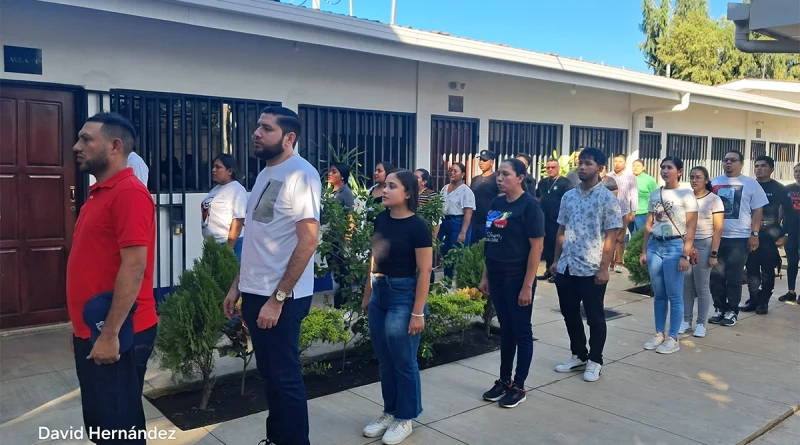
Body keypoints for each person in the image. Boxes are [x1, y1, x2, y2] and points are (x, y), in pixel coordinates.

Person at [223, 106, 321, 445]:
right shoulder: (265, 173)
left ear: (289, 137)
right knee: (271, 378)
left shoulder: (301, 174)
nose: (257, 133)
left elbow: (308, 241)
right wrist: (237, 286)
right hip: (255, 292)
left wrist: (277, 299)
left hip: (280, 298)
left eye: (266, 128)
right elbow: (258, 238)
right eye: (257, 127)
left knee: (285, 378)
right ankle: (277, 438)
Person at [68, 112, 157, 444]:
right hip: (96, 329)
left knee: (118, 432)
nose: (77, 146)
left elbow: (134, 267)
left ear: (115, 146)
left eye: (87, 139)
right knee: (103, 426)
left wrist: (109, 336)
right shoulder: (99, 192)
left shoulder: (129, 192)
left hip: (118, 332)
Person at [361, 169, 432, 445]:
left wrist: (417, 312)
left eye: (392, 186)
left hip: (404, 295)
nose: (385, 189)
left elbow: (425, 271)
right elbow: (373, 259)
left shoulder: (418, 227)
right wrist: (368, 295)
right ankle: (389, 412)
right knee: (385, 360)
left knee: (404, 361)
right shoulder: (381, 219)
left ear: (407, 193)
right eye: (385, 185)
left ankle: (406, 417)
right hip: (380, 293)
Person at [550, 148, 622, 382]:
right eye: (581, 163)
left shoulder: (607, 199)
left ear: (600, 168)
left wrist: (604, 268)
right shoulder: (568, 196)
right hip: (567, 267)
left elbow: (611, 236)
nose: (582, 167)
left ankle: (595, 360)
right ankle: (579, 354)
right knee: (570, 314)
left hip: (591, 269)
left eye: (588, 163)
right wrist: (555, 261)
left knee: (594, 317)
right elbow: (561, 230)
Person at [479, 158, 544, 408]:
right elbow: (491, 240)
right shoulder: (496, 203)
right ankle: (504, 381)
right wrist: (486, 275)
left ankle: (519, 385)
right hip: (496, 275)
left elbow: (536, 248)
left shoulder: (530, 207)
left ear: (520, 178)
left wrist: (528, 285)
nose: (499, 178)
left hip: (518, 278)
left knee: (521, 331)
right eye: (498, 174)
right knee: (505, 331)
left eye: (505, 174)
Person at [639, 157, 697, 354]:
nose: (665, 171)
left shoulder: (687, 194)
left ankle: (673, 337)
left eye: (669, 167)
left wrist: (685, 255)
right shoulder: (656, 193)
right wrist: (644, 250)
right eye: (663, 167)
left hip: (675, 247)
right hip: (656, 244)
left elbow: (691, 227)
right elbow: (648, 224)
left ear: (679, 171)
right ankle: (659, 333)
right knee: (659, 294)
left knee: (674, 294)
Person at [709, 150, 769, 327]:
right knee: (716, 276)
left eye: (733, 160)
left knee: (733, 277)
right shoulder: (714, 182)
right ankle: (719, 308)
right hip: (716, 238)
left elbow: (758, 210)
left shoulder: (751, 184)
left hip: (739, 238)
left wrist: (755, 234)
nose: (728, 163)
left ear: (741, 163)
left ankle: (732, 311)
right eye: (726, 160)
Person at [741, 156, 791, 315]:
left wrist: (786, 234)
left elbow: (789, 213)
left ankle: (763, 301)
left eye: (763, 166)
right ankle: (754, 299)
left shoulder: (779, 189)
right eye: (756, 166)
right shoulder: (748, 185)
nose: (759, 169)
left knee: (767, 270)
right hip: (749, 233)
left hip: (770, 234)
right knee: (751, 269)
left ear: (771, 169)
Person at [680, 167, 723, 338]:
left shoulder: (714, 199)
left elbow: (718, 228)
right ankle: (686, 320)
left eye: (698, 177)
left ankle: (701, 323)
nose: (694, 180)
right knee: (687, 287)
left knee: (702, 287)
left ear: (706, 180)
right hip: (686, 246)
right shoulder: (685, 197)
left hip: (704, 245)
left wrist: (714, 253)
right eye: (691, 177)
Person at [201, 154, 247, 261]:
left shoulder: (237, 190)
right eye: (213, 166)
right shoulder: (216, 189)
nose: (213, 170)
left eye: (218, 167)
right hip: (213, 243)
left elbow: (238, 220)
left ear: (229, 171)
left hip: (227, 244)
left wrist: (229, 247)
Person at [535, 157, 572, 283]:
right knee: (547, 246)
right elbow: (538, 197)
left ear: (558, 168)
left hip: (558, 221)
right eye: (548, 167)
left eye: (553, 167)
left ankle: (558, 273)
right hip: (544, 220)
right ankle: (548, 270)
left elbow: (569, 200)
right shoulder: (543, 182)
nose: (550, 169)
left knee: (558, 245)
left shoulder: (565, 182)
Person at [439, 162, 476, 278]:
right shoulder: (445, 188)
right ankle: (447, 282)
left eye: (456, 171)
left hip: (458, 223)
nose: (452, 173)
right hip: (445, 222)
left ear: (463, 174)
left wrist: (463, 232)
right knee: (446, 254)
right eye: (450, 170)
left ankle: (458, 284)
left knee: (458, 255)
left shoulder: (466, 191)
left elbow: (468, 212)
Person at [327, 162, 356, 311]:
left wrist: (347, 241)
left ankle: (343, 309)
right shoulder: (330, 193)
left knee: (342, 277)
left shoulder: (346, 193)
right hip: (329, 242)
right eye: (330, 171)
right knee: (335, 275)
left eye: (334, 171)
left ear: (342, 176)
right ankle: (338, 308)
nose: (330, 174)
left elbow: (351, 218)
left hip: (341, 242)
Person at [607, 154, 638, 273]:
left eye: (620, 161)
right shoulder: (608, 176)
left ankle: (618, 262)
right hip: (609, 212)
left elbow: (634, 194)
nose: (617, 163)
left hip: (623, 211)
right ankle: (609, 262)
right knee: (609, 237)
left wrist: (633, 211)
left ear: (625, 163)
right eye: (615, 161)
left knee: (620, 238)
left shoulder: (630, 177)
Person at [779, 163, 800, 303]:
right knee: (792, 262)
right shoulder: (787, 189)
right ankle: (791, 291)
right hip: (790, 231)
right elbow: (781, 208)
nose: (798, 173)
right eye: (796, 171)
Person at [470, 150, 499, 244]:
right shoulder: (475, 180)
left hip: (489, 221)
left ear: (492, 162)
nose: (481, 163)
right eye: (480, 160)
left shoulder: (497, 179)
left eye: (485, 160)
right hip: (474, 221)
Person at [632, 159, 658, 234]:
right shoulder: (629, 178)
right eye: (633, 166)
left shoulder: (649, 180)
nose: (635, 168)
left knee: (642, 236)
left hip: (643, 212)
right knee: (631, 237)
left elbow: (656, 195)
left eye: (638, 166)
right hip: (629, 213)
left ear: (643, 168)